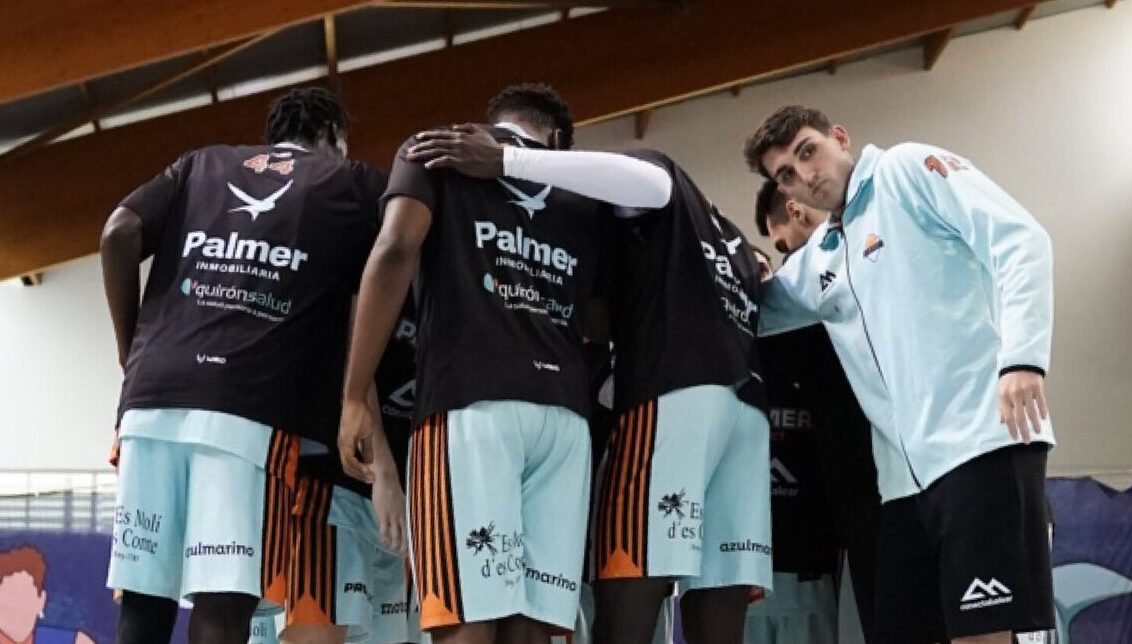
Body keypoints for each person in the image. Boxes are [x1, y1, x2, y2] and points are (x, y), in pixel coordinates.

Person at [400, 127, 772, 644]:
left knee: (627, 585)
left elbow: (651, 182)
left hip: (674, 394)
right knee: (719, 602)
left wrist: (506, 161)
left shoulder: (663, 184)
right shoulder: (734, 243)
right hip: (748, 412)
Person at [337, 83, 671, 644]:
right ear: (558, 139)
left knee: (465, 615)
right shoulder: (582, 190)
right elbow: (600, 318)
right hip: (564, 423)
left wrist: (353, 395)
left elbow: (394, 249)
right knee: (533, 629)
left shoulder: (437, 149)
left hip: (470, 408)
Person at [743, 105, 1055, 644]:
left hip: (978, 444)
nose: (805, 175)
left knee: (983, 634)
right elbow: (760, 312)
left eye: (809, 151)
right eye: (786, 174)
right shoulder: (821, 257)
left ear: (840, 137)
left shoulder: (904, 170)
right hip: (901, 487)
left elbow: (1020, 239)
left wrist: (1023, 358)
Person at [100, 86, 384, 644]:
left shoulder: (198, 164)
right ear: (332, 136)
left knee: (144, 600)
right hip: (248, 412)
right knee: (225, 603)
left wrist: (130, 352)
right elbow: (405, 240)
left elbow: (118, 231)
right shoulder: (347, 181)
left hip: (150, 402)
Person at [751, 183, 882, 643]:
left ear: (794, 210)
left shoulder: (865, 266)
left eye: (781, 244)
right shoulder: (788, 319)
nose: (784, 257)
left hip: (886, 484)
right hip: (844, 510)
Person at [0, 545, 96, 644]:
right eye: (7, 608)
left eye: (24, 603)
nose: (17, 616)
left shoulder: (77, 641)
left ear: (41, 602)